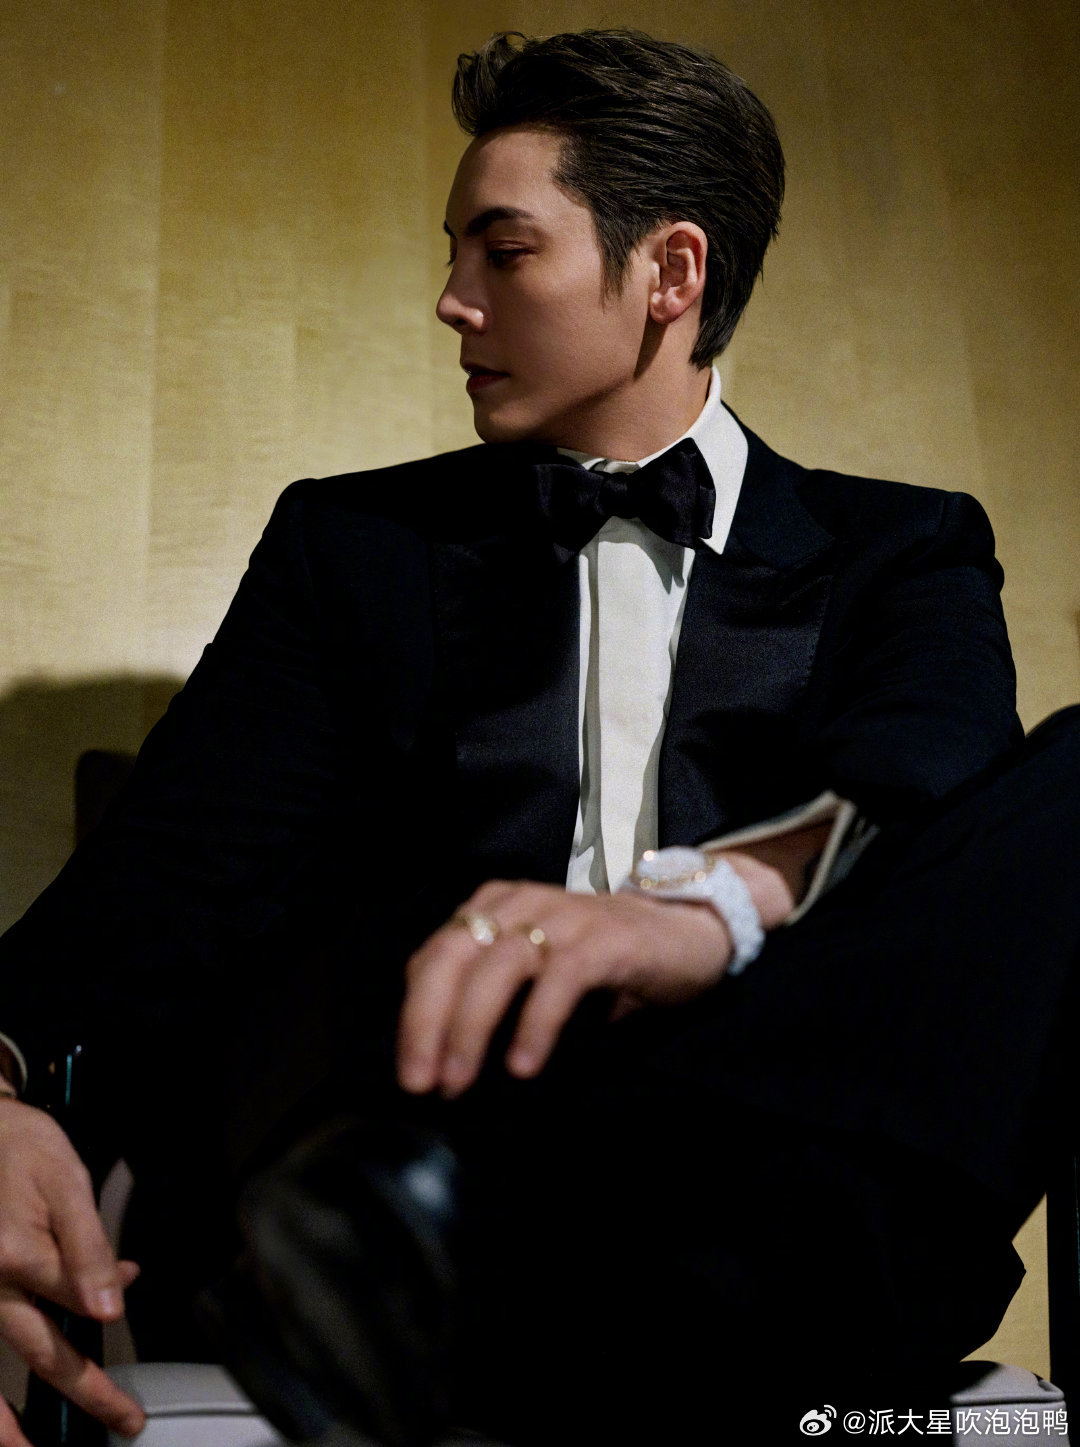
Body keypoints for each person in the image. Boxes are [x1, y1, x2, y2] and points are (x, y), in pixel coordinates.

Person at [0, 26, 1077, 1447]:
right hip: (437, 1210)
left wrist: (703, 910)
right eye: (454, 252)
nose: (452, 300)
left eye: (503, 252)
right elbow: (169, 879)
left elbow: (928, 773)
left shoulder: (905, 548)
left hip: (798, 1241)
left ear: (670, 274)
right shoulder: (354, 549)